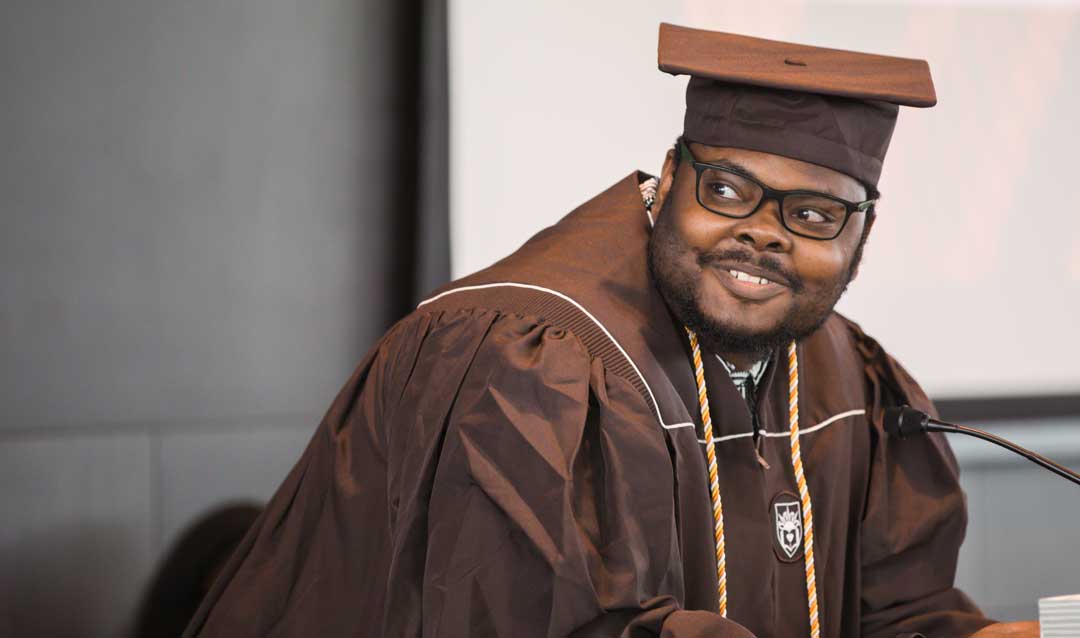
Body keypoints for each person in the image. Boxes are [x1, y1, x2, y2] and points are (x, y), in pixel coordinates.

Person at [184, 24, 1039, 638]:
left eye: (813, 213)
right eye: (729, 192)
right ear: (668, 178)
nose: (765, 233)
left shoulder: (848, 376)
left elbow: (899, 617)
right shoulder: (528, 357)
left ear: (861, 237)